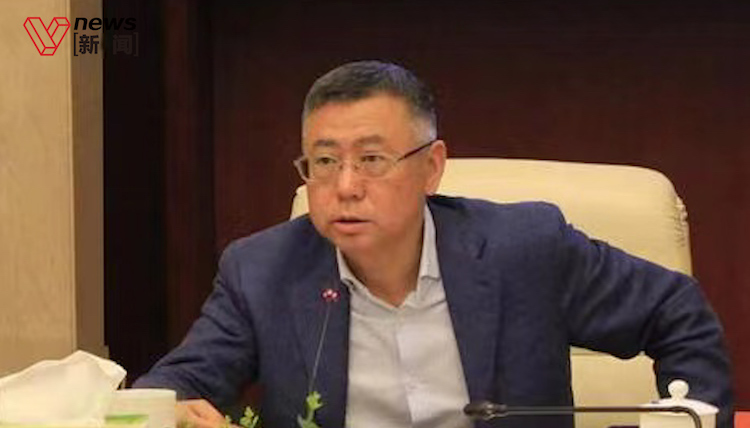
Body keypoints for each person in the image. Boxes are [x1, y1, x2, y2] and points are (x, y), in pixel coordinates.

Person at [134, 61, 733, 428]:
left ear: (431, 167)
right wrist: (173, 412)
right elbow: (165, 394)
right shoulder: (261, 272)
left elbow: (676, 311)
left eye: (372, 159)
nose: (345, 186)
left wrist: (690, 420)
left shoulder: (525, 249)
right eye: (324, 162)